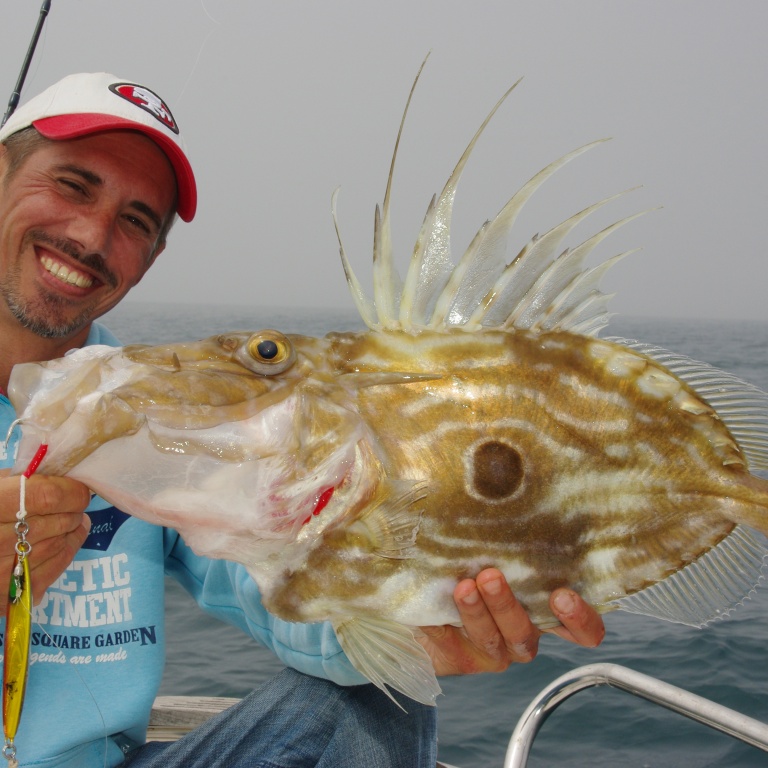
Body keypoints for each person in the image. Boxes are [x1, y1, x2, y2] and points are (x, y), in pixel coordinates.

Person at [0, 72, 605, 768]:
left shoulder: (138, 408)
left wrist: (414, 625)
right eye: (73, 185)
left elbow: (276, 585)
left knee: (382, 700)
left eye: (136, 220)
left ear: (153, 256)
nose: (92, 234)